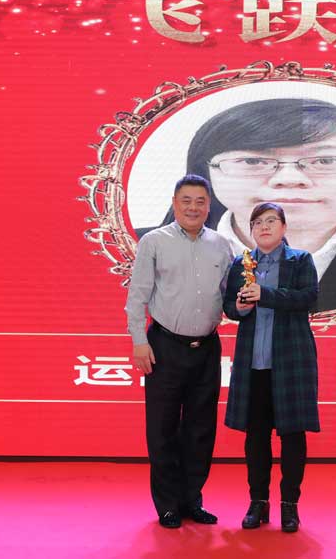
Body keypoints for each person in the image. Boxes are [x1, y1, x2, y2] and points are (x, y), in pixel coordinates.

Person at [141, 98, 336, 312]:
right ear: (207, 174)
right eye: (252, 161)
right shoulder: (148, 249)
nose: (289, 179)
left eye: (325, 160)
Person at [124, 174, 233, 529]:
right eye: (186, 200)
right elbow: (137, 296)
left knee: (201, 429)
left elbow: (229, 297)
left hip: (207, 347)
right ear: (174, 203)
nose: (193, 207)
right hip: (164, 346)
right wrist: (139, 341)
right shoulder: (154, 241)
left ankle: (192, 500)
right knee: (163, 429)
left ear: (209, 206)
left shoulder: (221, 245)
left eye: (200, 201)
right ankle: (168, 505)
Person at [222, 202, 320, 533]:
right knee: (256, 437)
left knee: (292, 435)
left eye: (271, 221)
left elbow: (308, 298)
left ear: (283, 227)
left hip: (290, 360)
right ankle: (258, 502)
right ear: (251, 230)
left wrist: (265, 295)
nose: (264, 227)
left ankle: (290, 505)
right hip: (254, 362)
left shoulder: (300, 260)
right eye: (257, 222)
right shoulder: (241, 263)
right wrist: (239, 306)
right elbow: (229, 307)